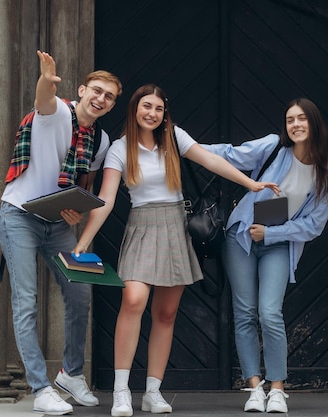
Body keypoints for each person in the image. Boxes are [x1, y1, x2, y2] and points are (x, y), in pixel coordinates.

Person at [72, 83, 279, 417]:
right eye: (146, 107)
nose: (152, 114)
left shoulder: (174, 138)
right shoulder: (119, 149)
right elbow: (106, 199)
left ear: (164, 112)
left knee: (166, 314)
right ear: (135, 109)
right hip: (141, 227)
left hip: (174, 227)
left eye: (158, 108)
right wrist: (83, 241)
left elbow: (211, 160)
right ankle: (122, 390)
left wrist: (250, 183)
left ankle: (153, 391)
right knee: (134, 300)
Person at [0, 50, 122, 415]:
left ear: (112, 105)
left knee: (82, 291)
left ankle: (71, 374)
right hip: (18, 216)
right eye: (96, 91)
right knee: (26, 302)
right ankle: (40, 389)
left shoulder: (101, 140)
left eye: (108, 96)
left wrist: (75, 214)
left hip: (56, 224)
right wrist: (46, 80)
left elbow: (86, 187)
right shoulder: (58, 113)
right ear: (82, 90)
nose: (100, 99)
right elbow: (43, 101)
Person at [203, 98, 328, 413]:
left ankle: (277, 388)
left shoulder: (324, 175)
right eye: (290, 120)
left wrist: (272, 233)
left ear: (313, 123)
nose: (296, 125)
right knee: (245, 313)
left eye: (302, 119)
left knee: (270, 312)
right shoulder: (274, 147)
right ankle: (254, 387)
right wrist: (189, 146)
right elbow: (232, 154)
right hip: (241, 238)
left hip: (278, 243)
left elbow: (313, 226)